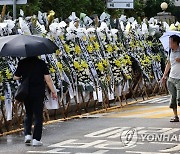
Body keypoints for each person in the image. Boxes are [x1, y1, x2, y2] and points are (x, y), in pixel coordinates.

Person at [14, 56, 58, 146]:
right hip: (38, 92)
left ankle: (27, 135)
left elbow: (16, 77)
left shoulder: (22, 63)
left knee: (28, 113)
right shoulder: (41, 63)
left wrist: (24, 76)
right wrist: (53, 91)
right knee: (38, 115)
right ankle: (36, 139)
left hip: (26, 92)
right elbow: (48, 79)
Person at [162, 35, 180, 122]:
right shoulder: (170, 51)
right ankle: (176, 116)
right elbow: (168, 64)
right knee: (173, 98)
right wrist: (164, 75)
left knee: (179, 98)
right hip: (172, 78)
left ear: (176, 42)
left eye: (171, 42)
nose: (170, 44)